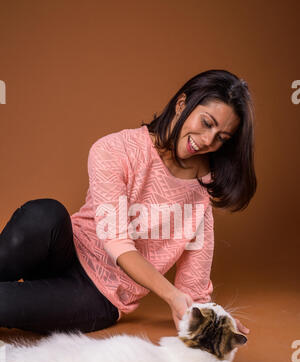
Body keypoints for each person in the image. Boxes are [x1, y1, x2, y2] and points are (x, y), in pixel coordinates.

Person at [0, 69, 255, 335]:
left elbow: (194, 287)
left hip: (98, 296)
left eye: (221, 138)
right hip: (64, 251)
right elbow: (117, 241)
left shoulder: (203, 190)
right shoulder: (115, 149)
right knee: (44, 213)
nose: (207, 141)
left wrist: (211, 319)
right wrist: (171, 295)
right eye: (206, 123)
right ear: (183, 104)